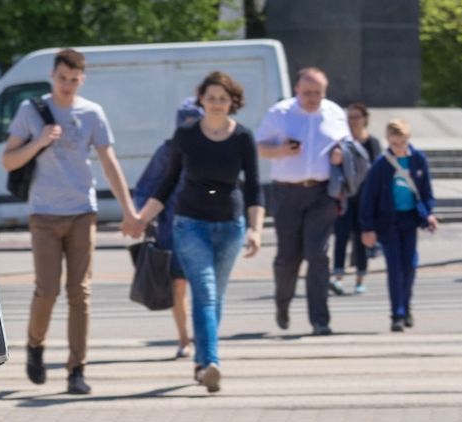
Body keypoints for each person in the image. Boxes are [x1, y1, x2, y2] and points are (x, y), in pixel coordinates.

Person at [2, 47, 139, 395]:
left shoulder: (92, 113)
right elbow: (9, 161)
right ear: (53, 76)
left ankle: (76, 369)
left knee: (81, 293)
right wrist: (40, 141)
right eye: (62, 78)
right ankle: (35, 345)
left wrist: (130, 211)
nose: (67, 85)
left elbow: (109, 162)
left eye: (74, 80)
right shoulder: (30, 111)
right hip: (44, 214)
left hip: (82, 212)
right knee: (46, 290)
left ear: (83, 79)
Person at [126, 71, 264, 394]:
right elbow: (168, 182)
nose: (216, 104)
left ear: (233, 102)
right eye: (211, 97)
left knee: (215, 295)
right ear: (201, 99)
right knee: (204, 290)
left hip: (230, 225)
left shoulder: (243, 138)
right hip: (190, 224)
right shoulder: (186, 135)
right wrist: (140, 218)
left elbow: (256, 188)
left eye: (223, 98)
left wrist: (256, 230)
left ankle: (202, 362)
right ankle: (211, 362)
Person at [255, 67, 349, 336]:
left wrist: (341, 155)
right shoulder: (280, 113)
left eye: (318, 93)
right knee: (289, 257)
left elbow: (347, 145)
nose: (312, 98)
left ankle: (320, 320)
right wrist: (282, 150)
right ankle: (282, 303)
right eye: (307, 93)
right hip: (287, 193)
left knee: (318, 255)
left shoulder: (334, 113)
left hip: (322, 193)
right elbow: (261, 148)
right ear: (297, 90)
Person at [132, 98, 205, 359]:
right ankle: (184, 339)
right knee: (178, 287)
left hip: (203, 228)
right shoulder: (166, 151)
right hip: (170, 230)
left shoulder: (211, 149)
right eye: (185, 124)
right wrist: (143, 216)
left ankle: (204, 338)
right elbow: (145, 187)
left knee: (203, 288)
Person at [360, 118, 437, 332]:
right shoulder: (381, 164)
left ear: (408, 139)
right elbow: (369, 197)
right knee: (394, 267)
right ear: (388, 141)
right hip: (388, 222)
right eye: (394, 144)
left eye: (401, 143)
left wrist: (429, 214)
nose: (398, 148)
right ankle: (397, 314)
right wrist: (368, 227)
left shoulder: (418, 160)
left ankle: (406, 304)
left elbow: (426, 192)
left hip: (410, 220)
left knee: (410, 266)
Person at [331, 102, 382, 296]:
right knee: (341, 236)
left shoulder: (372, 143)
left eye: (356, 117)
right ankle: (338, 278)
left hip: (366, 198)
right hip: (345, 196)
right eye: (350, 117)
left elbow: (378, 171)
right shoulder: (342, 141)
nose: (353, 121)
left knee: (363, 238)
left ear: (365, 119)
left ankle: (360, 279)